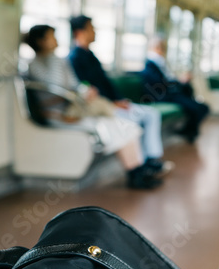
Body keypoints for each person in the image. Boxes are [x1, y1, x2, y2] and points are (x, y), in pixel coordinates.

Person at [22, 25, 162, 189]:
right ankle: (135, 173)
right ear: (41, 42)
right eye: (52, 37)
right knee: (107, 126)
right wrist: (55, 60)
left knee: (124, 125)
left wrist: (87, 91)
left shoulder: (59, 60)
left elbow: (74, 84)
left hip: (76, 111)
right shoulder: (34, 65)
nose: (56, 40)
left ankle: (136, 171)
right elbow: (56, 86)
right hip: (60, 116)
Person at [67, 15, 170, 175]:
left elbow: (106, 83)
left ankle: (152, 159)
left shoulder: (91, 56)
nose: (95, 32)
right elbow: (87, 90)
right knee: (132, 123)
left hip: (113, 103)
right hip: (101, 107)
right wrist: (113, 103)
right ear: (80, 32)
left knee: (152, 114)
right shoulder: (74, 58)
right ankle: (139, 166)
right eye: (91, 28)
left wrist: (119, 99)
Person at [139, 35, 210, 143]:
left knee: (203, 107)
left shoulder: (160, 63)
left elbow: (167, 80)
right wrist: (179, 81)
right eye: (161, 47)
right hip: (164, 96)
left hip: (172, 93)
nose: (162, 50)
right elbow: (160, 85)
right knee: (197, 108)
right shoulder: (150, 64)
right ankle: (190, 132)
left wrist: (179, 81)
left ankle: (189, 130)